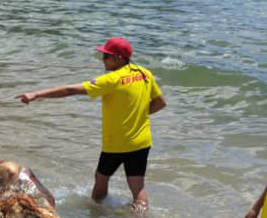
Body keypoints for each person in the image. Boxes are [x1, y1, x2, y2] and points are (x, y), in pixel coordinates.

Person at [16, 36, 166, 208]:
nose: (103, 60)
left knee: (101, 179)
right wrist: (137, 115)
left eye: (106, 56)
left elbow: (70, 90)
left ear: (119, 58)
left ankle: (95, 215)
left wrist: (36, 94)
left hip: (117, 144)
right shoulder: (144, 74)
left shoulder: (112, 80)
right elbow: (160, 103)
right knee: (137, 187)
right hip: (141, 142)